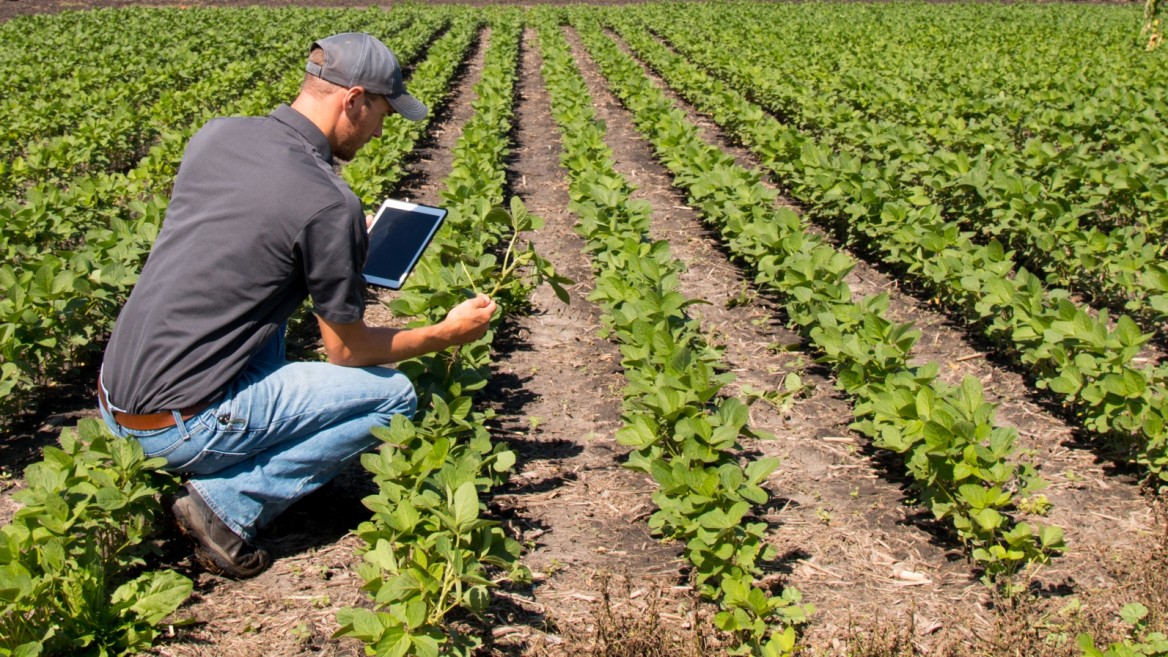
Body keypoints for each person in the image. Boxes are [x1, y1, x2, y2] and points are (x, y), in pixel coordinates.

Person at [96, 33, 496, 579]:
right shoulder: (329, 202)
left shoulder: (218, 135)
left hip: (116, 397)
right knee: (392, 396)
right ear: (354, 99)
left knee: (268, 317)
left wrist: (342, 247)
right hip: (175, 426)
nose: (382, 130)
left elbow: (247, 243)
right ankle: (227, 507)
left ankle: (215, 443)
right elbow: (346, 352)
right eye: (382, 111)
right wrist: (446, 334)